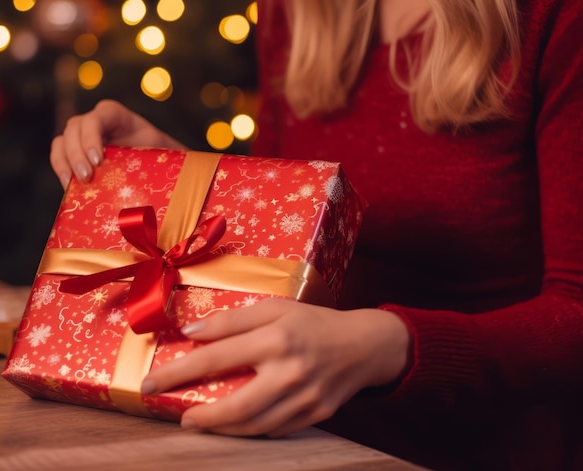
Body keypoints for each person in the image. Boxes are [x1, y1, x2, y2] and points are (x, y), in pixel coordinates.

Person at [49, 0, 583, 469]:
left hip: (487, 448)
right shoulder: (294, 10)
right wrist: (179, 176)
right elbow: (289, 239)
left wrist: (390, 345)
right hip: (298, 440)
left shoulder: (552, 16)